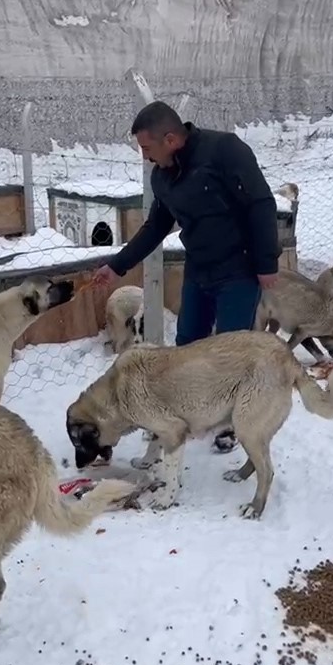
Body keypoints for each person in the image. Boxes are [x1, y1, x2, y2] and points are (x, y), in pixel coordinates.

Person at [93, 101, 280, 453]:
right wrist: (117, 265)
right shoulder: (162, 176)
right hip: (199, 270)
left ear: (171, 139)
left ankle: (231, 423)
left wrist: (266, 262)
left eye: (147, 148)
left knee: (232, 351)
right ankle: (186, 413)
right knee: (187, 346)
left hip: (238, 271)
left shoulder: (224, 151)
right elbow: (156, 227)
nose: (146, 157)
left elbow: (261, 203)